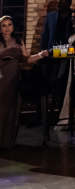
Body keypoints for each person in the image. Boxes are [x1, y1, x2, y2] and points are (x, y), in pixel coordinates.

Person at [0, 16, 48, 149]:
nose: (7, 27)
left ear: (13, 27)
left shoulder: (19, 41)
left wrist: (40, 55)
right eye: (3, 25)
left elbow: (27, 59)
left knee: (12, 108)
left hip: (14, 78)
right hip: (1, 77)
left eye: (9, 24)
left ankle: (7, 142)